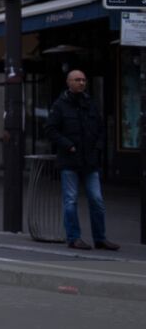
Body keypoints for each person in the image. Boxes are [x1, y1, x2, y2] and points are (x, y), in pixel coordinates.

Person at [46, 69, 118, 250]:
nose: (82, 83)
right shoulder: (59, 105)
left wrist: (98, 148)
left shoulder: (90, 103)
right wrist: (68, 145)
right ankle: (74, 238)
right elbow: (50, 130)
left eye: (84, 80)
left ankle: (100, 238)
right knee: (70, 200)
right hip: (70, 160)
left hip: (90, 160)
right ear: (68, 82)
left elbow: (100, 129)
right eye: (77, 80)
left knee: (97, 200)